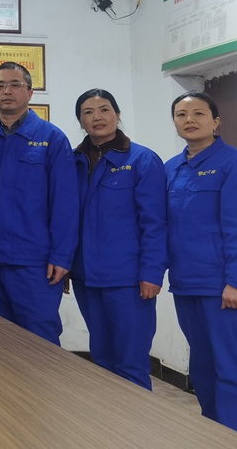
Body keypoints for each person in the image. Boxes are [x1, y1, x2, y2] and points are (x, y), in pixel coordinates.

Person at [0, 62, 78, 345]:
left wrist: (61, 256)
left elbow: (65, 203)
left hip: (35, 263)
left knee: (39, 341)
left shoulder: (51, 138)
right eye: (0, 86)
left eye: (15, 85)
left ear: (30, 92)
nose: (7, 91)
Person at [72, 88, 166, 389]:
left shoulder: (142, 160)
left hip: (128, 280)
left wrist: (151, 273)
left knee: (130, 362)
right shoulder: (73, 161)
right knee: (102, 360)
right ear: (81, 121)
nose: (97, 117)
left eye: (104, 109)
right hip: (86, 278)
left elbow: (155, 223)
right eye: (88, 112)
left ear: (117, 114)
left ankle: (138, 421)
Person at [165, 91, 237, 434]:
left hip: (222, 286)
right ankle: (215, 434)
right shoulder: (171, 168)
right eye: (181, 115)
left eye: (198, 113)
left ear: (215, 121)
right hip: (185, 284)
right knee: (202, 367)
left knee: (231, 368)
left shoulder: (235, 162)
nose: (190, 120)